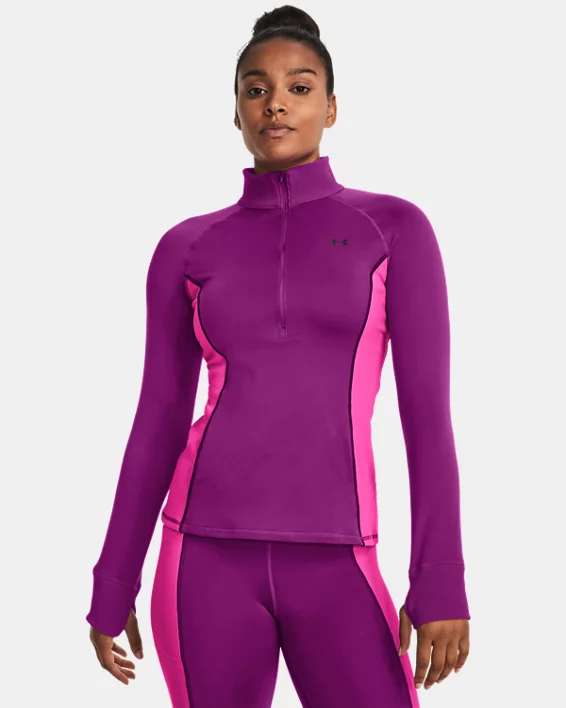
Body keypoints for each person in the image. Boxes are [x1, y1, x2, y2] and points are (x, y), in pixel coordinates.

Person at [86, 5, 471, 706]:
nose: (276, 104)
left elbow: (426, 417)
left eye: (299, 87)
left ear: (332, 108)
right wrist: (113, 579)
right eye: (256, 89)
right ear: (235, 110)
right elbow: (158, 417)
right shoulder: (186, 247)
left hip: (340, 555)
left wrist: (440, 577)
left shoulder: (392, 229)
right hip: (201, 557)